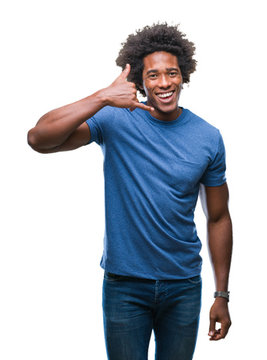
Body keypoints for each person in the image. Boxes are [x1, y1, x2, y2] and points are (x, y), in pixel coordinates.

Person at [27, 23, 233, 359]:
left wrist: (221, 294)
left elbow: (219, 217)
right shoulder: (115, 119)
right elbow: (39, 138)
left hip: (183, 286)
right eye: (153, 75)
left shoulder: (208, 137)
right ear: (140, 80)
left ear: (183, 75)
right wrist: (102, 97)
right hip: (125, 285)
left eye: (172, 73)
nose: (164, 83)